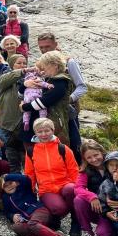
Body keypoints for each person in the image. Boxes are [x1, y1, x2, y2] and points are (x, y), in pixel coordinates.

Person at [37, 31, 88, 160]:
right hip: (48, 110)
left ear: (55, 44)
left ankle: (78, 166)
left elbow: (82, 87)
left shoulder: (69, 62)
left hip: (68, 110)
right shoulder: (42, 63)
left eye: (47, 46)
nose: (44, 50)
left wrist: (69, 99)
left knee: (73, 142)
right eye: (41, 47)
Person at [0, 174, 80, 236]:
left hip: (39, 210)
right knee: (16, 227)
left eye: (10, 183)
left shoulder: (23, 188)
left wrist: (7, 177)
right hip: (27, 220)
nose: (9, 186)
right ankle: (55, 233)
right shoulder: (5, 198)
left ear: (16, 182)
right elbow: (7, 212)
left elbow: (26, 178)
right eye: (5, 186)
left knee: (33, 224)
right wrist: (12, 216)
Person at [24, 118, 78, 223]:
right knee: (59, 208)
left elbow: (73, 170)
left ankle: (75, 220)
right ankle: (55, 216)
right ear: (35, 133)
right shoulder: (31, 151)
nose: (44, 134)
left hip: (65, 185)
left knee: (71, 189)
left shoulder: (63, 149)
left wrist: (77, 189)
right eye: (40, 131)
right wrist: (30, 190)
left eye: (47, 131)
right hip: (46, 190)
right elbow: (29, 173)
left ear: (53, 130)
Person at [20, 51, 74, 146]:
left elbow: (45, 101)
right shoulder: (49, 79)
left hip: (51, 125)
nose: (43, 68)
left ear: (55, 65)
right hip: (39, 123)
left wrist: (24, 107)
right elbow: (21, 93)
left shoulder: (61, 82)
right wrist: (25, 85)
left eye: (45, 65)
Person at [73, 139, 114, 236]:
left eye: (96, 155)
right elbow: (78, 188)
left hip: (112, 208)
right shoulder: (86, 170)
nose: (94, 159)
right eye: (89, 157)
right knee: (79, 200)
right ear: (85, 159)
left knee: (104, 234)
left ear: (102, 152)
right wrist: (91, 196)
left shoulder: (112, 164)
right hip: (96, 207)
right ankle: (87, 232)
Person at [0, 54, 28, 172]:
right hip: (8, 124)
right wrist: (22, 71)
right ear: (11, 65)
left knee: (25, 155)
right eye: (19, 63)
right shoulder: (5, 77)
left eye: (24, 63)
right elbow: (2, 82)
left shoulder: (30, 78)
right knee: (9, 157)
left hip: (24, 123)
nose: (22, 65)